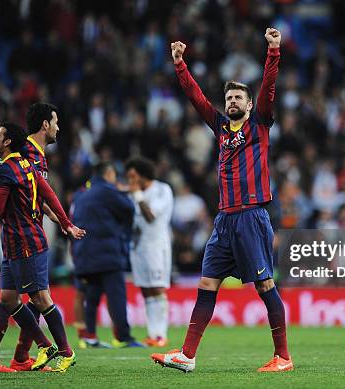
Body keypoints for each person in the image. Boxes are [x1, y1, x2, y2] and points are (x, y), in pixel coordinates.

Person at [151, 28, 292, 373]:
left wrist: (273, 51)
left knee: (264, 284)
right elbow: (195, 97)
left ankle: (283, 357)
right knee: (207, 283)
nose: (231, 102)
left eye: (237, 98)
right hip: (224, 220)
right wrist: (180, 64)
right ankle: (187, 354)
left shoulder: (259, 122)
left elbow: (269, 88)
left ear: (248, 104)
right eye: (228, 98)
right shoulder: (219, 127)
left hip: (251, 217)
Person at [0, 102, 66, 370]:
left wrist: (56, 216)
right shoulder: (23, 148)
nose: (58, 127)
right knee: (36, 298)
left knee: (10, 298)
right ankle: (25, 354)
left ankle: (1, 358)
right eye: (55, 122)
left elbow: (39, 193)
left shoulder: (39, 155)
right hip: (23, 237)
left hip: (28, 233)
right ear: (45, 125)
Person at [0, 122, 85, 372]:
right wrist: (66, 224)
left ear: (7, 142)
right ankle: (44, 346)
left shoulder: (6, 170)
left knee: (40, 297)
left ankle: (66, 352)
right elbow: (51, 196)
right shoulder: (28, 164)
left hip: (25, 242)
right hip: (15, 243)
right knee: (8, 298)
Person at [71, 162, 143, 349]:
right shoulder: (107, 190)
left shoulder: (80, 194)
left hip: (83, 253)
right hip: (107, 253)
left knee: (92, 296)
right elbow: (129, 209)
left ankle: (89, 337)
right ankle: (123, 337)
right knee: (116, 296)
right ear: (109, 173)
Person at [125, 157, 174, 347]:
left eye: (132, 176)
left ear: (141, 174)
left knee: (157, 288)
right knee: (145, 290)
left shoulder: (162, 190)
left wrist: (137, 195)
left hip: (156, 246)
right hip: (137, 247)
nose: (130, 180)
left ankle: (161, 334)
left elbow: (151, 216)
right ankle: (152, 334)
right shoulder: (131, 193)